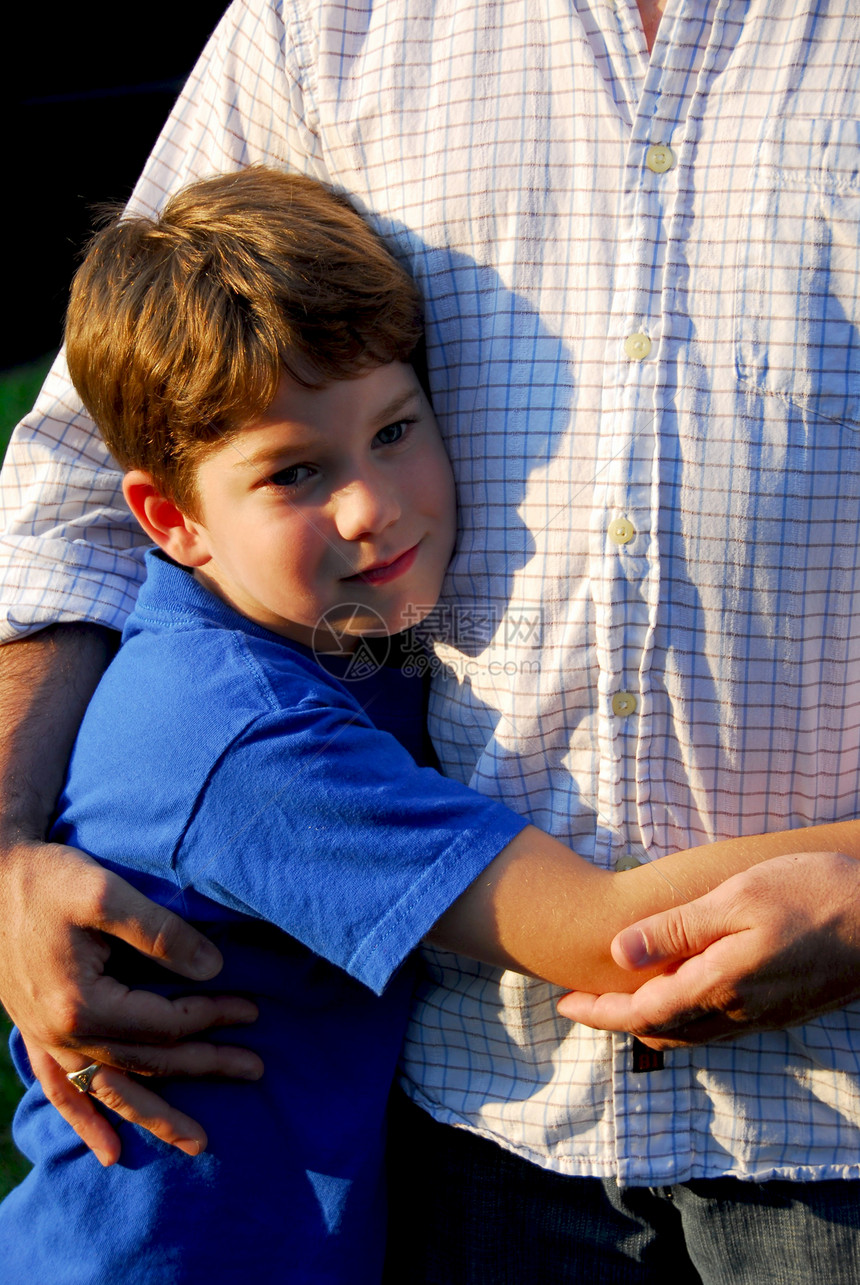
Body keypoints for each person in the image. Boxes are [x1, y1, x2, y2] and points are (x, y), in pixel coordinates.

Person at [1, 1, 859, 1280]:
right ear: (172, 520)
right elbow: (601, 925)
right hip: (387, 1171)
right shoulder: (241, 735)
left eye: (400, 428)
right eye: (292, 472)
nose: (368, 506)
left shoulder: (323, 644)